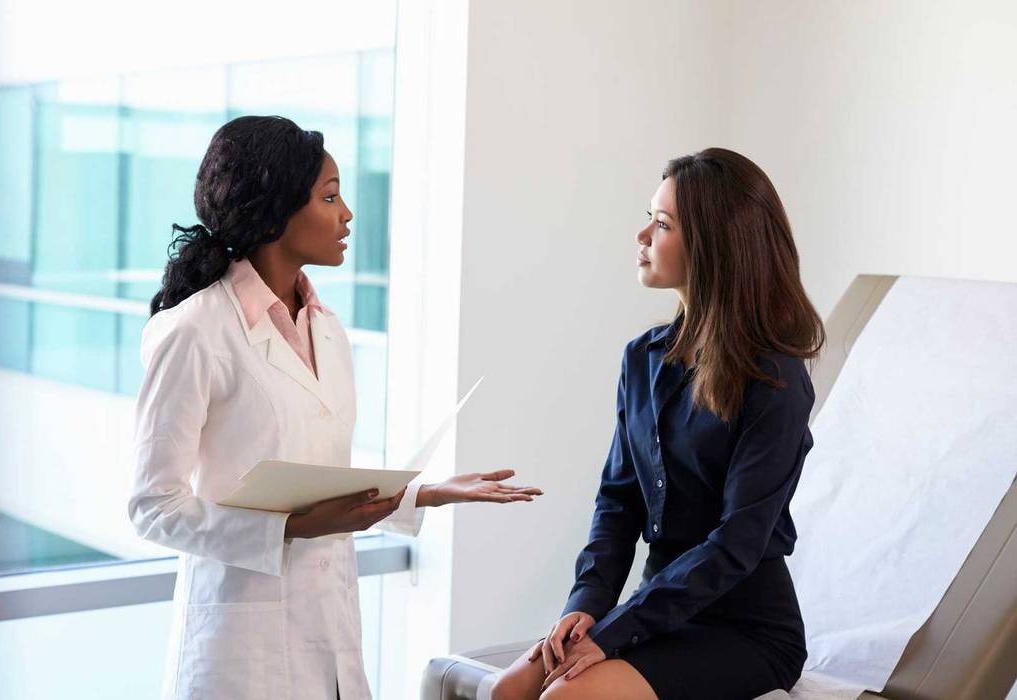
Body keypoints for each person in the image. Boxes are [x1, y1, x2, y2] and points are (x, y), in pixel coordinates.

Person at [129, 115, 542, 700]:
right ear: (274, 211)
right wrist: (290, 529)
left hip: (330, 632)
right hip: (239, 652)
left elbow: (316, 479)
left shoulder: (327, 330)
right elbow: (153, 506)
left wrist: (425, 493)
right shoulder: (196, 331)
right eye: (329, 196)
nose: (347, 213)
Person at [491, 148, 824, 700]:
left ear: (714, 246)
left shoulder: (776, 380)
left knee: (564, 697)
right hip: (659, 611)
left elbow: (737, 543)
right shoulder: (642, 358)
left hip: (747, 631)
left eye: (662, 224)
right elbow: (617, 504)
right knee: (510, 690)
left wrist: (620, 628)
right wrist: (587, 607)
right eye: (650, 216)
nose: (642, 235)